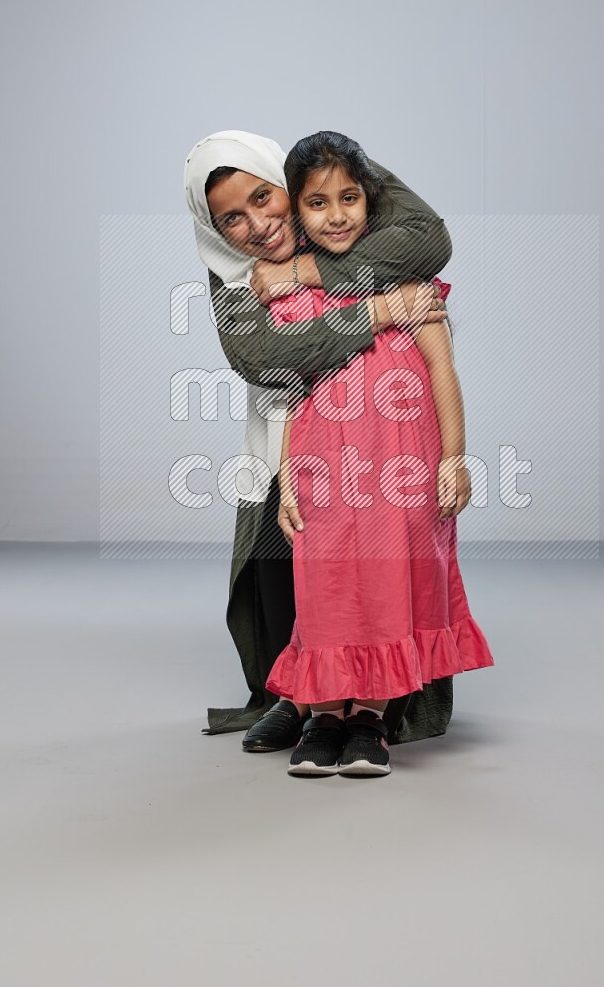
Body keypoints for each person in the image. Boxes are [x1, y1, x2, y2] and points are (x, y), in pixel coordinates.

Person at [184, 130, 455, 752]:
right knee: (285, 566)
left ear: (285, 183)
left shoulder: (325, 198)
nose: (257, 224)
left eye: (264, 197)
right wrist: (378, 312)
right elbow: (265, 357)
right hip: (288, 433)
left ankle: (373, 703)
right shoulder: (232, 276)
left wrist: (307, 267)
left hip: (375, 434)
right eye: (232, 218)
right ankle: (299, 697)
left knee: (377, 570)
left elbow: (431, 241)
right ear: (212, 227)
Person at [263, 132, 494, 776]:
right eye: (317, 203)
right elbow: (294, 389)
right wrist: (287, 480)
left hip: (406, 468)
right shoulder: (295, 296)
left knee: (394, 584)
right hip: (323, 469)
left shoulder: (409, 282)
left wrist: (455, 457)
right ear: (297, 211)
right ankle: (324, 716)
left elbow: (444, 373)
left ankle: (368, 718)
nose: (336, 215)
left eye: (349, 198)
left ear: (370, 200)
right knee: (328, 587)